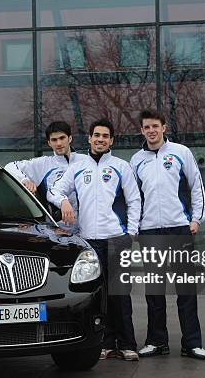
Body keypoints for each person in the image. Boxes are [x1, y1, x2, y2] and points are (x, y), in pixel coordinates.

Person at [48, 118, 141, 361]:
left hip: (116, 238)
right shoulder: (77, 166)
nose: (100, 139)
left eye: (105, 136)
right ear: (89, 138)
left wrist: (130, 232)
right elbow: (54, 190)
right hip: (88, 241)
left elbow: (134, 200)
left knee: (120, 293)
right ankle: (106, 343)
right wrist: (64, 201)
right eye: (96, 135)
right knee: (98, 295)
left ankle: (128, 343)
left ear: (111, 140)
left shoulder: (121, 166)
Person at [129, 109, 205, 360]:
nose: (151, 131)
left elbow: (196, 186)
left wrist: (196, 219)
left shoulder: (180, 152)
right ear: (141, 131)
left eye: (155, 126)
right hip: (150, 231)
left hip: (179, 229)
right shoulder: (136, 160)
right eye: (146, 127)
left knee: (186, 289)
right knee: (154, 290)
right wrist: (135, 227)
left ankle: (192, 343)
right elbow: (132, 198)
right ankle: (156, 341)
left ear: (164, 127)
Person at [5, 121, 85, 221]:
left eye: (62, 138)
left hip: (88, 228)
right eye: (54, 140)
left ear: (70, 138)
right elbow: (10, 166)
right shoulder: (43, 163)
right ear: (49, 143)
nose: (59, 143)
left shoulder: (86, 161)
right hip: (59, 230)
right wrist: (24, 180)